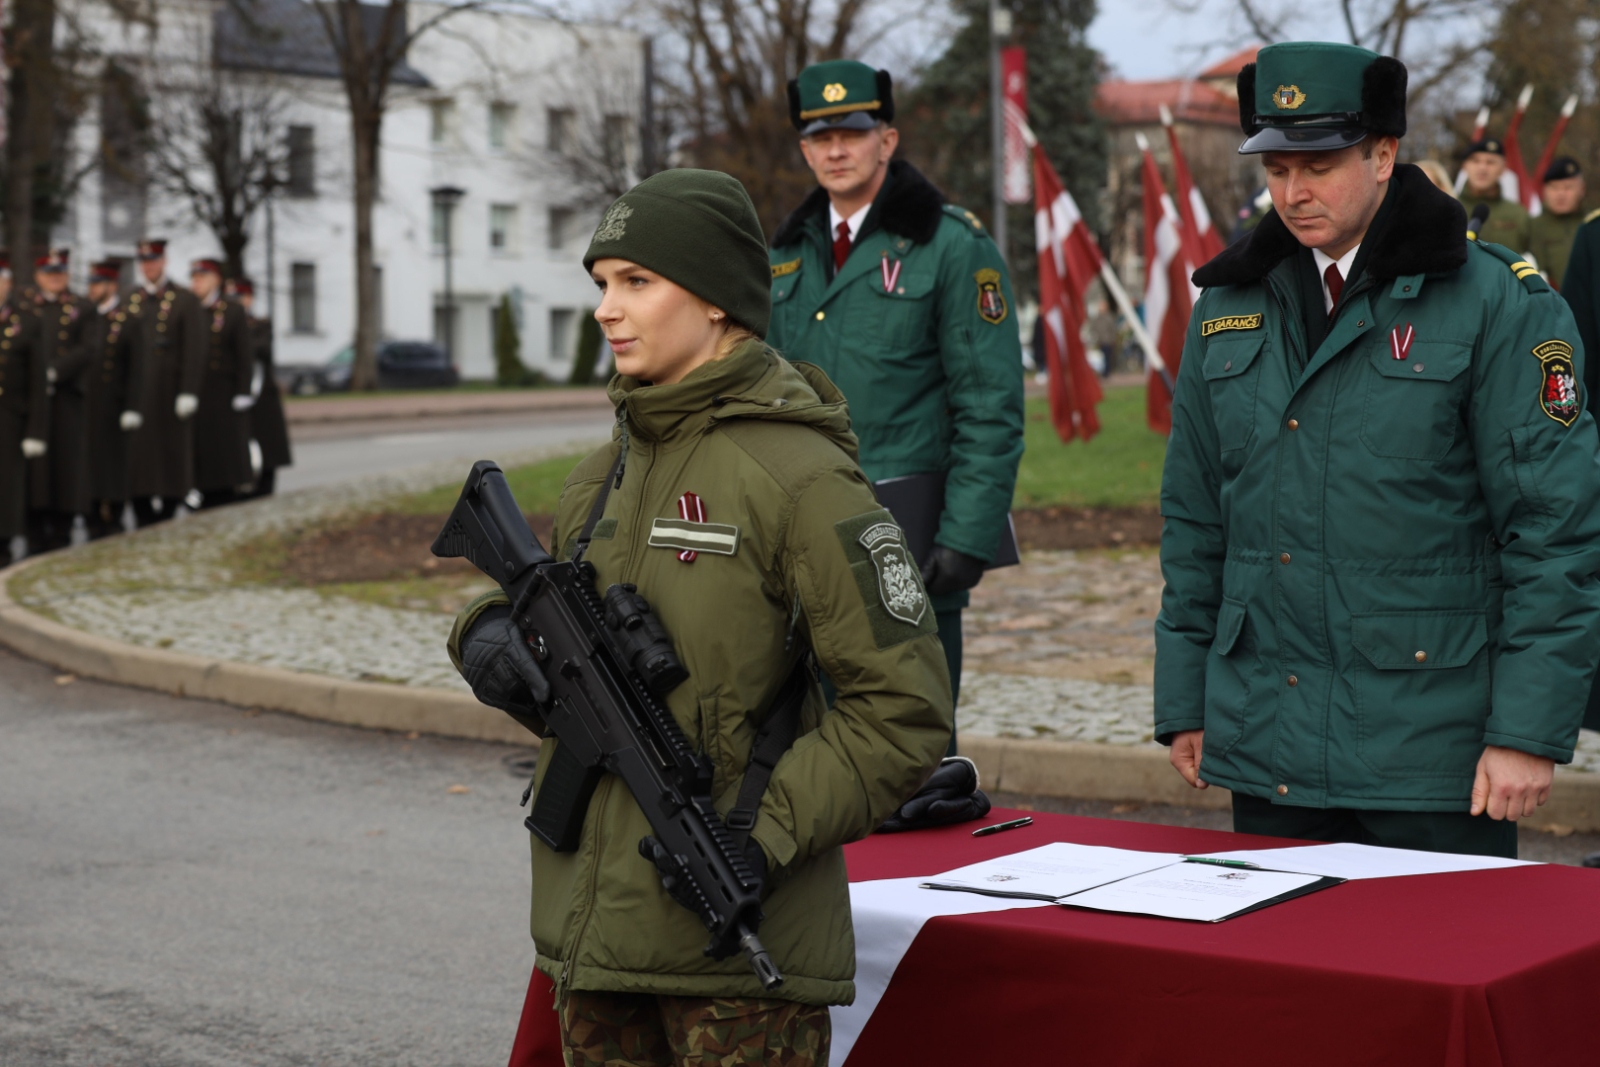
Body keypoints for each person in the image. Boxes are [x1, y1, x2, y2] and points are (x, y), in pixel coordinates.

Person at [446, 168, 951, 1065]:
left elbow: (901, 711)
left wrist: (762, 839)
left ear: (718, 302)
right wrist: (490, 640)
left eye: (637, 282)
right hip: (595, 942)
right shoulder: (599, 475)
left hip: (737, 973)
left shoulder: (802, 478)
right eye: (601, 283)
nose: (607, 309)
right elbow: (554, 644)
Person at [1155, 41, 1600, 859]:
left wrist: (1528, 731)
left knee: (1439, 979)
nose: (1293, 192)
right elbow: (1194, 521)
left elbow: (1554, 529)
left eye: (1319, 164)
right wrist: (1185, 696)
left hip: (1434, 757)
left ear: (1384, 153)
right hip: (1270, 745)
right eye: (1276, 168)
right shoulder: (1226, 308)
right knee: (1285, 982)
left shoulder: (1495, 301)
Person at [764, 59, 1024, 749]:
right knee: (813, 760)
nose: (837, 150)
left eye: (854, 131)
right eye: (821, 138)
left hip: (910, 547)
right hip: (803, 542)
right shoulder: (783, 256)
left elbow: (990, 405)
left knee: (912, 756)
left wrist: (968, 536)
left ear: (888, 138)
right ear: (804, 149)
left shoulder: (951, 246)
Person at [126, 239, 205, 522]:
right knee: (139, 456)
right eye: (144, 262)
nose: (149, 267)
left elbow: (195, 347)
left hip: (170, 389)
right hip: (139, 391)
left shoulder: (184, 299)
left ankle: (169, 509)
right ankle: (143, 510)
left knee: (171, 453)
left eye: (154, 261)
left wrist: (188, 390)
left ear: (164, 261)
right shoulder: (131, 299)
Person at [25, 249, 93, 549]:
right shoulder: (25, 307)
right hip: (29, 400)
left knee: (65, 465)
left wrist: (54, 372)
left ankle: (63, 529)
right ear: (39, 276)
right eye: (49, 274)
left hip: (66, 397)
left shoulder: (81, 307)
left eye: (60, 273)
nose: (55, 279)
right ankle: (33, 529)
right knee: (33, 469)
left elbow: (88, 347)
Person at [84, 259, 147, 537]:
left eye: (98, 283)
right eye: (91, 283)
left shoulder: (128, 321)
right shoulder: (85, 318)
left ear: (112, 286)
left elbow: (137, 368)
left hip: (114, 405)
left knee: (113, 465)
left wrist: (133, 406)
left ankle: (115, 515)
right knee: (89, 464)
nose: (92, 289)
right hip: (87, 405)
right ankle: (90, 514)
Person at [187, 259, 254, 505]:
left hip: (223, 395)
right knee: (198, 452)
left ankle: (226, 494)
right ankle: (199, 494)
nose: (197, 282)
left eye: (202, 277)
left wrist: (243, 390)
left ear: (216, 280)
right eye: (194, 278)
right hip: (196, 392)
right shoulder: (188, 309)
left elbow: (244, 355)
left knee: (223, 453)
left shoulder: (231, 311)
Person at [0, 258, 47, 563]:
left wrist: (35, 430)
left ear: (8, 285)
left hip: (10, 418)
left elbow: (38, 381)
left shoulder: (27, 323)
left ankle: (3, 546)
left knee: (6, 486)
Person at [234, 278, 292, 495]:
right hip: (238, 397)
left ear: (249, 299)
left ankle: (264, 487)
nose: (238, 303)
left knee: (267, 447)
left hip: (262, 400)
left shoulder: (259, 324)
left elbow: (262, 349)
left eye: (240, 298)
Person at [1458, 137, 1531, 254]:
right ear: (1465, 166)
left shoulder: (1519, 215)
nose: (1482, 168)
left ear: (1503, 168)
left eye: (1490, 162)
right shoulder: (1447, 208)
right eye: (1475, 161)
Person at [1528, 156, 1586, 290]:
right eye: (1554, 188)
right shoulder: (1530, 226)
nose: (1560, 194)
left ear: (1581, 189)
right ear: (1544, 190)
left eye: (1567, 188)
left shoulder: (1592, 225)